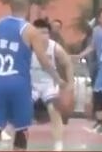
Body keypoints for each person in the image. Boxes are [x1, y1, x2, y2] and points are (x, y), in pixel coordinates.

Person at [0, 0, 66, 151]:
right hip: (19, 83)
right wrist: (57, 78)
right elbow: (44, 61)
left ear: (10, 6)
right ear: (28, 7)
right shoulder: (30, 30)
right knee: (21, 129)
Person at [29, 19, 74, 151]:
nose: (43, 36)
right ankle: (16, 139)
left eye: (45, 33)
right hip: (31, 84)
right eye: (40, 33)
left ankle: (58, 145)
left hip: (49, 84)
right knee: (21, 112)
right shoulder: (26, 47)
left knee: (54, 110)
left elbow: (68, 64)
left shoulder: (55, 48)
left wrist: (71, 84)